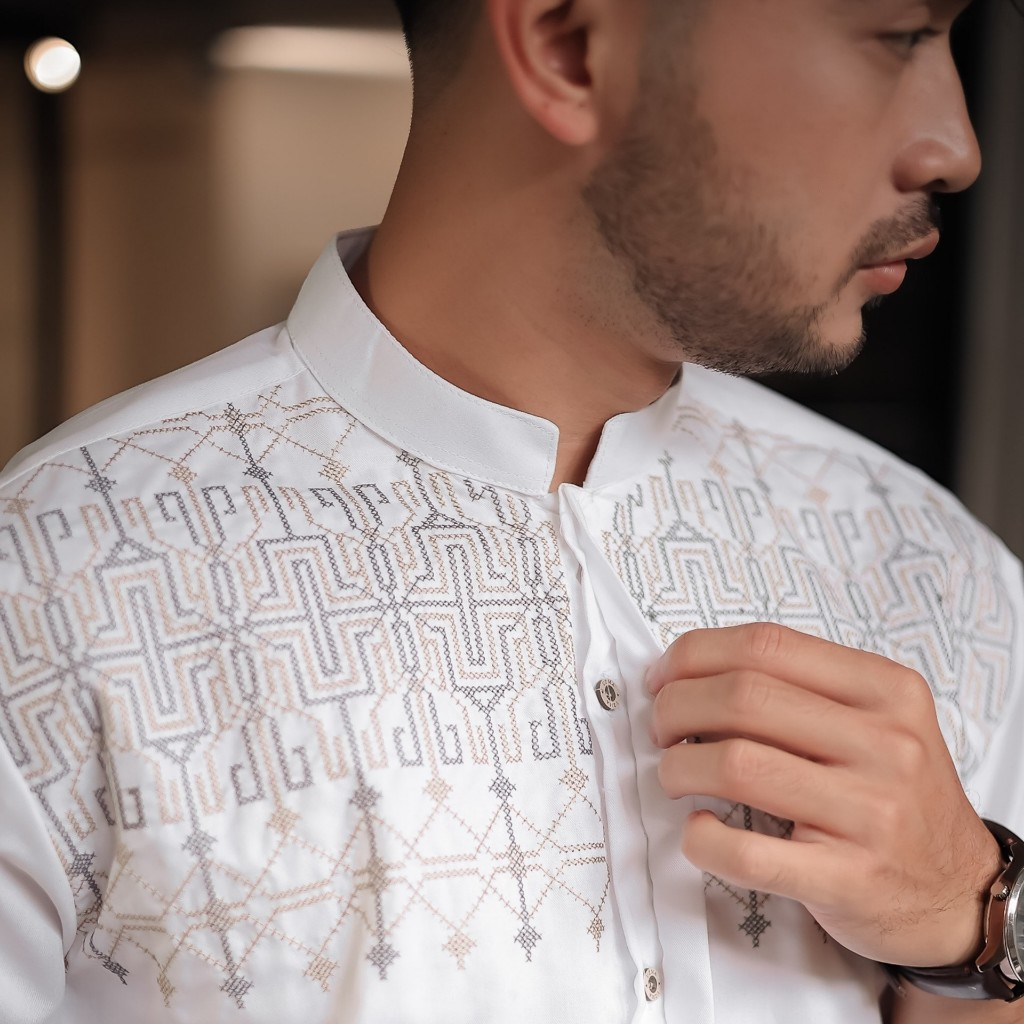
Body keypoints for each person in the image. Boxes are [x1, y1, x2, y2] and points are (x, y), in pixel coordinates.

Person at [1, 0, 1022, 1020]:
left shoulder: (933, 566)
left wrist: (972, 920)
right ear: (566, 47)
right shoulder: (48, 582)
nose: (955, 148)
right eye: (898, 36)